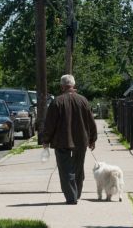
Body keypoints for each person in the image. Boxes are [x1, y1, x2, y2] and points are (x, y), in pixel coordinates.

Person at [41, 74, 97, 204]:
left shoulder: (57, 102)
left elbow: (50, 124)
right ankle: (76, 194)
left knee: (66, 170)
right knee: (78, 168)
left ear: (62, 86)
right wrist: (92, 139)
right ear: (74, 85)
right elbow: (91, 121)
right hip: (81, 140)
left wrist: (45, 140)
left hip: (62, 141)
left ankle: (72, 197)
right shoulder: (83, 101)